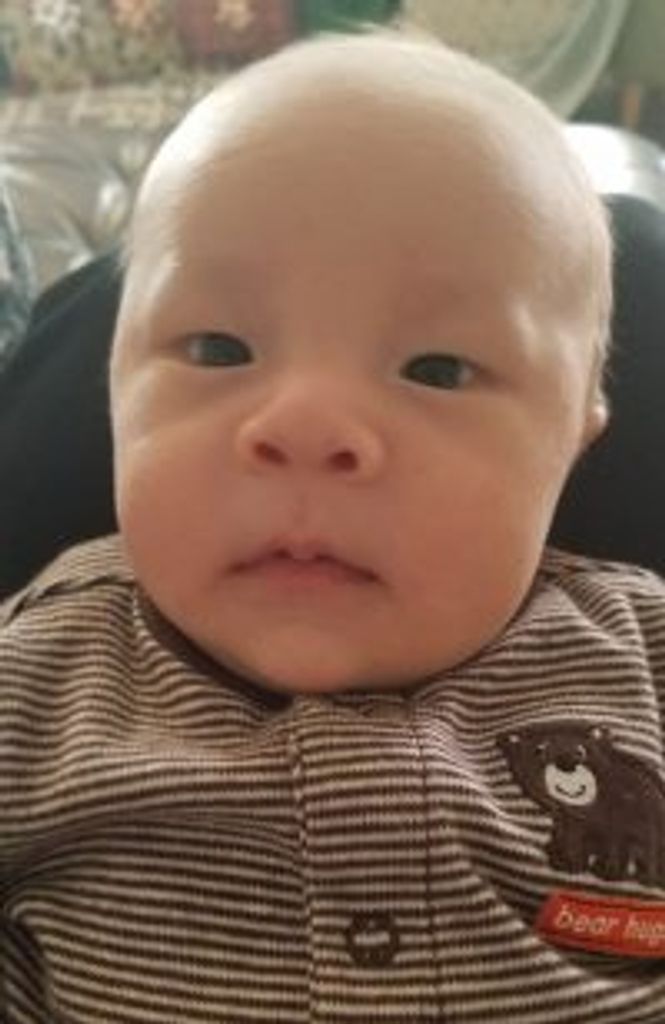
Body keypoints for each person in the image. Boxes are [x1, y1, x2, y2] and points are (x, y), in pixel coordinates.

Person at [2, 30, 665, 1024]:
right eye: (217, 349)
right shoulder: (33, 678)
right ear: (110, 388)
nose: (305, 427)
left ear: (572, 435)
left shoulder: (643, 655)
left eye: (437, 369)